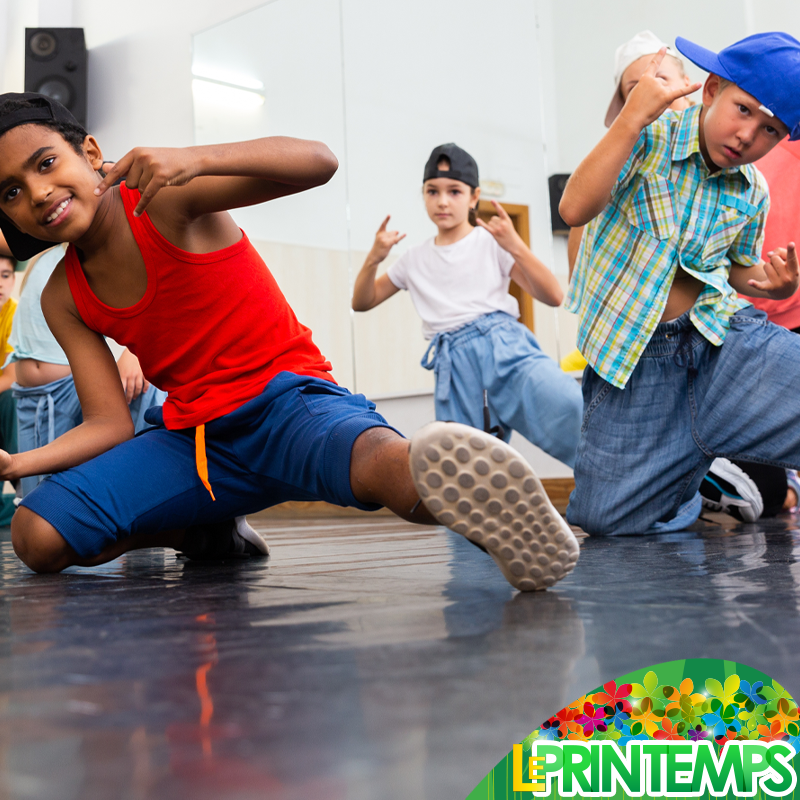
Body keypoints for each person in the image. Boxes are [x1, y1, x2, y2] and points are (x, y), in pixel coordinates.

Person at [0, 94, 579, 592]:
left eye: (46, 163)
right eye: (11, 192)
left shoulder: (167, 198)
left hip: (290, 405)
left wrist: (195, 159)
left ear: (92, 155)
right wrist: (17, 463)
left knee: (381, 463)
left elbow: (317, 162)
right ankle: (205, 531)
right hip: (197, 444)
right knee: (36, 535)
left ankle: (479, 508)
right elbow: (110, 424)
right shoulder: (61, 297)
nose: (38, 192)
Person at [559, 32, 800, 536]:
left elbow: (732, 266)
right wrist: (630, 118)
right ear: (711, 89)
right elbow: (573, 208)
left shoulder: (752, 189)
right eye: (743, 109)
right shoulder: (648, 135)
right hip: (637, 366)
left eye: (770, 130)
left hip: (720, 343)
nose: (747, 135)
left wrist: (768, 285)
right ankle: (691, 479)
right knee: (605, 520)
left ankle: (713, 467)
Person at [352, 143, 583, 468]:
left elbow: (553, 295)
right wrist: (373, 260)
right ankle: (477, 518)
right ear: (423, 195)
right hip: (453, 364)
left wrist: (515, 245)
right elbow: (362, 301)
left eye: (454, 192)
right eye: (432, 191)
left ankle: (613, 492)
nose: (442, 201)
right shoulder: (413, 259)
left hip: (504, 346)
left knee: (569, 406)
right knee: (461, 466)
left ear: (474, 197)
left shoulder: (490, 242)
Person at [7, 241, 166, 498]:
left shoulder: (101, 252)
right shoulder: (42, 251)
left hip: (74, 389)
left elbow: (152, 298)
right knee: (34, 500)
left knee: (149, 394)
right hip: (31, 398)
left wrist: (132, 354)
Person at [0, 253, 18, 524]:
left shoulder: (16, 313)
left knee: (11, 398)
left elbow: (14, 377)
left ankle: (23, 489)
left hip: (8, 398)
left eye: (5, 276)